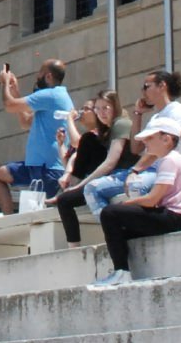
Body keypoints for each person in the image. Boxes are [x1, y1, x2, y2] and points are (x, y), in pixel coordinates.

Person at [87, 124, 181, 289]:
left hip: (180, 218)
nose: (145, 141)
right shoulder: (170, 159)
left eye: (150, 138)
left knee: (110, 213)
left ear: (166, 139)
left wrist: (125, 204)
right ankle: (121, 271)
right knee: (121, 233)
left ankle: (122, 272)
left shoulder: (169, 160)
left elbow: (152, 199)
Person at [0, 59, 74, 212]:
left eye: (40, 73)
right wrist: (14, 91)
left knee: (42, 214)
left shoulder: (51, 95)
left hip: (48, 168)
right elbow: (26, 122)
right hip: (34, 165)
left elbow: (9, 105)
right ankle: (9, 222)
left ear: (48, 76)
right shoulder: (54, 98)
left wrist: (5, 83)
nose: (37, 76)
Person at [53, 90, 134, 244]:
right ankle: (74, 247)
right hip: (114, 175)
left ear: (115, 107)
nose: (101, 113)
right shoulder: (107, 129)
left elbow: (110, 162)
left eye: (106, 108)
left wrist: (81, 185)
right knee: (65, 200)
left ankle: (116, 231)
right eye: (98, 109)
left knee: (84, 192)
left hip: (125, 175)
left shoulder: (121, 123)